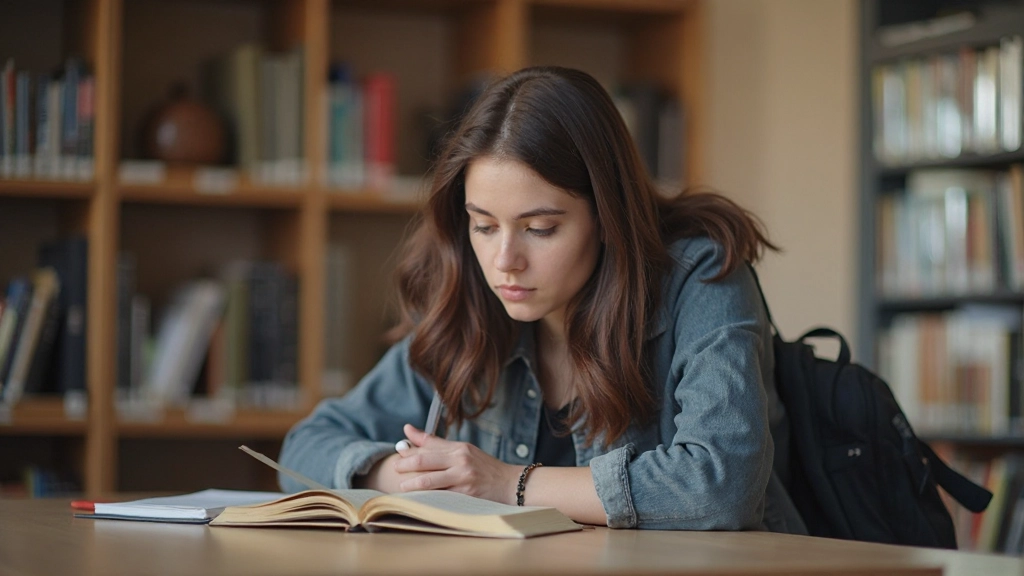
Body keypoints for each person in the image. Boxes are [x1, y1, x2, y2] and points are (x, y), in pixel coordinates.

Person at [279, 66, 806, 533]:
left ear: (606, 216)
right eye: (484, 225)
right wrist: (393, 474)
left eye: (540, 228)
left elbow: (721, 484)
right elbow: (302, 447)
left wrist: (506, 483)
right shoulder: (471, 299)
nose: (505, 260)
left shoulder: (703, 277)